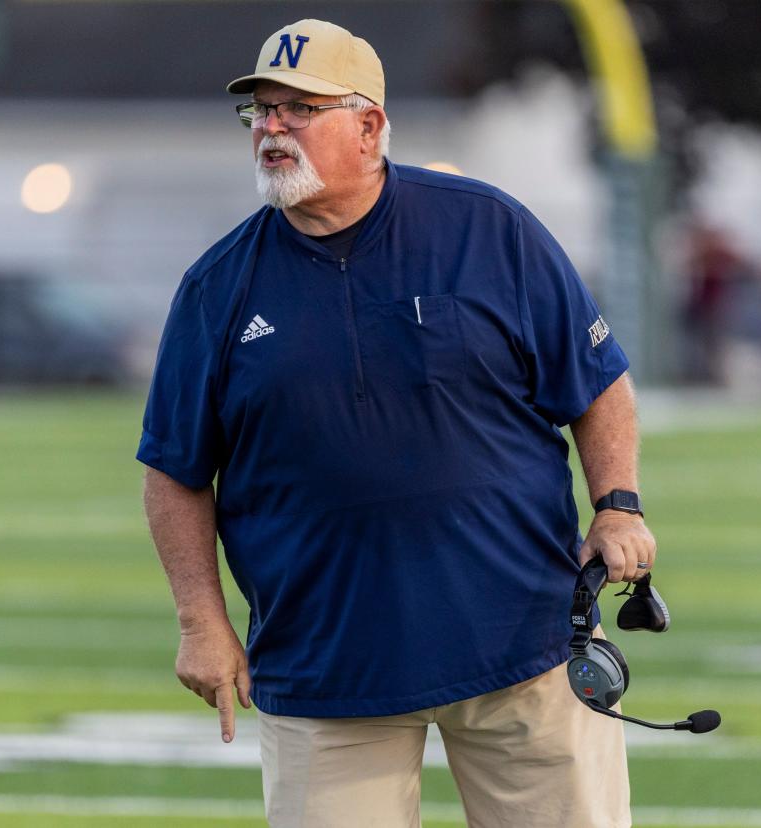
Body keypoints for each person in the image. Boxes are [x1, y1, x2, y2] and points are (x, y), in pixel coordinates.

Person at [137, 18, 656, 828]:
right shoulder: (218, 287)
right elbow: (174, 469)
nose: (272, 129)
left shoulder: (489, 230)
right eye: (261, 112)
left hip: (520, 643)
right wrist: (200, 623)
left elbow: (596, 383)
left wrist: (618, 503)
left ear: (370, 125)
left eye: (298, 110)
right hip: (324, 665)